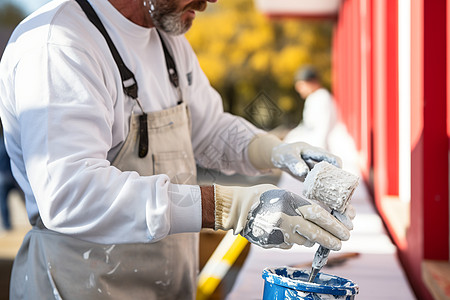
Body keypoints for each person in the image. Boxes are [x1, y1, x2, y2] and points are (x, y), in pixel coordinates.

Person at [0, 0, 353, 299]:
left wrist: (275, 152)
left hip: (169, 283)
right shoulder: (59, 44)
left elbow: (210, 129)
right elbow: (72, 193)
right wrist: (228, 207)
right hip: (80, 285)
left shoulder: (169, 41)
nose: (210, 1)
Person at [284, 65, 338, 150]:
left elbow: (323, 127)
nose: (299, 90)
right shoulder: (313, 97)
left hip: (323, 147)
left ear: (313, 82)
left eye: (301, 85)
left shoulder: (322, 97)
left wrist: (319, 151)